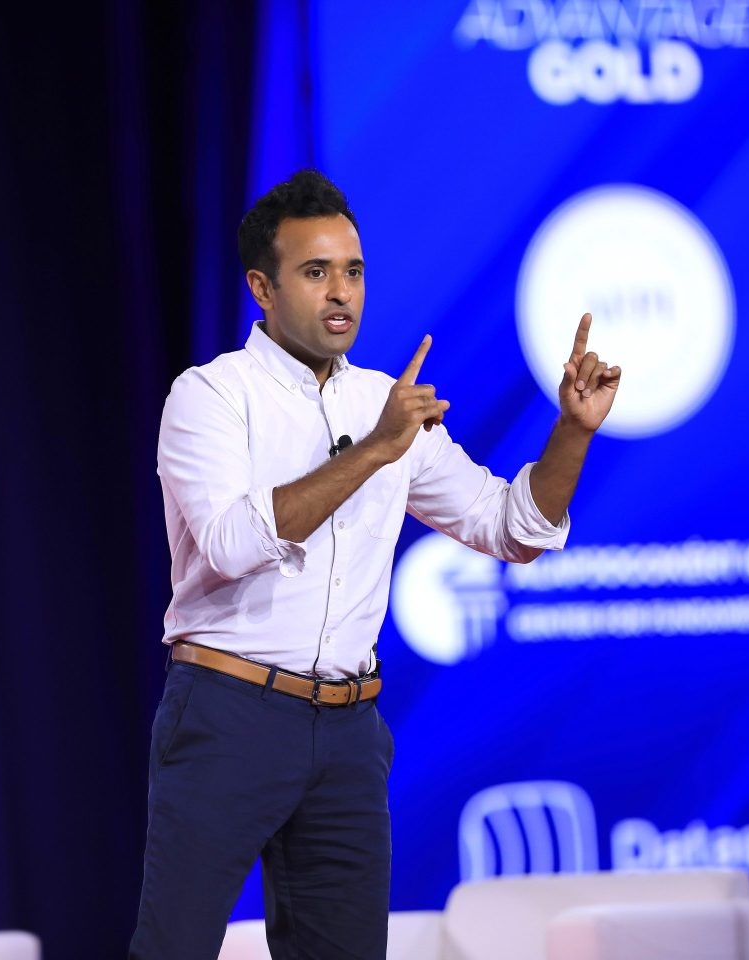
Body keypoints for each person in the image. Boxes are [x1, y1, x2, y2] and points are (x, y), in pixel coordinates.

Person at [130, 170, 620, 959]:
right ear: (262, 286)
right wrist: (373, 453)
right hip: (229, 712)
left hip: (350, 730)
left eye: (353, 271)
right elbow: (229, 543)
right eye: (315, 272)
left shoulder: (384, 406)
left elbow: (512, 527)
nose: (341, 293)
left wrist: (572, 431)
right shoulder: (212, 396)